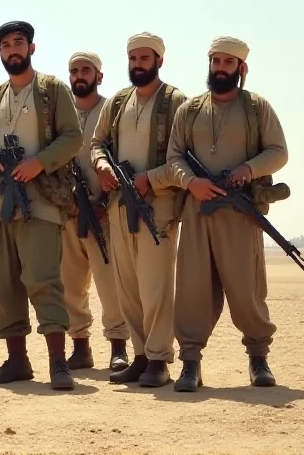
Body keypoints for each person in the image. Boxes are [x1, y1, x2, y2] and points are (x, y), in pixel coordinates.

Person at [166, 36, 288, 391]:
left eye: (228, 63)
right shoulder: (188, 110)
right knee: (192, 290)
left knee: (246, 288)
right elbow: (174, 157)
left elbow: (279, 152)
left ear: (241, 68)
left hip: (239, 214)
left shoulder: (256, 108)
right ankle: (190, 364)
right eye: (216, 62)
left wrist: (248, 170)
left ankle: (258, 358)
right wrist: (191, 183)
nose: (220, 68)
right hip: (198, 211)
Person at [0, 21, 83, 390]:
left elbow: (73, 137)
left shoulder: (52, 89)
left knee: (43, 281)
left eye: (18, 43)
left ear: (31, 48)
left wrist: (40, 162)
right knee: (5, 285)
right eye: (5, 45)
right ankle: (17, 361)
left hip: (41, 199)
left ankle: (58, 363)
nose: (12, 50)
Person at [90, 32, 186, 387]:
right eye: (133, 59)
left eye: (144, 59)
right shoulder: (117, 102)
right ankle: (141, 356)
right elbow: (97, 143)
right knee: (127, 285)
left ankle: (159, 360)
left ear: (159, 60)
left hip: (157, 207)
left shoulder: (178, 103)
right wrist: (101, 165)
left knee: (156, 286)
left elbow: (183, 159)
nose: (138, 64)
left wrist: (152, 179)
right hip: (118, 206)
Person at [61, 51, 129, 372]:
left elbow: (121, 162)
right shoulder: (61, 116)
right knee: (70, 285)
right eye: (74, 70)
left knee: (110, 283)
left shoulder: (112, 113)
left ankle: (118, 347)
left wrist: (104, 201)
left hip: (103, 212)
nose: (79, 75)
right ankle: (80, 348)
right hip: (67, 212)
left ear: (99, 76)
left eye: (86, 70)